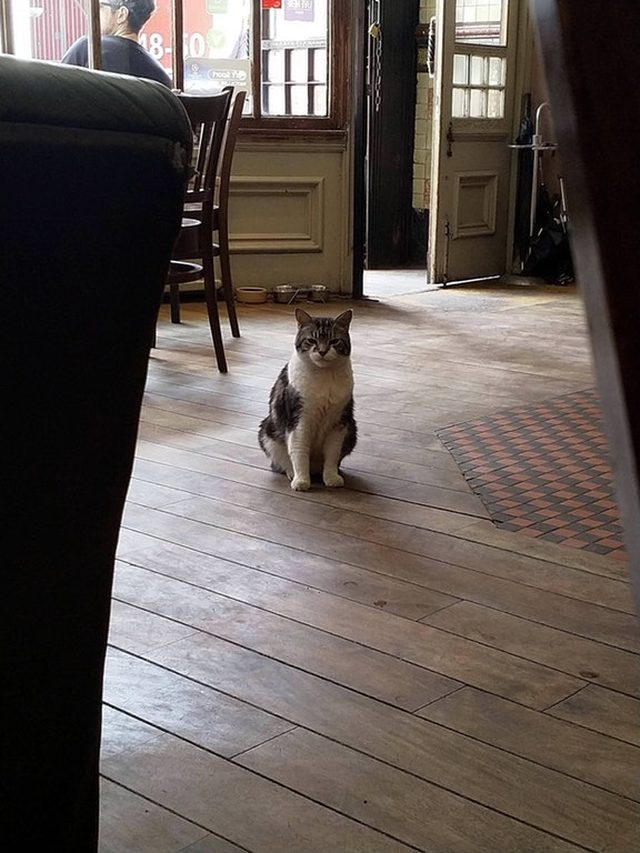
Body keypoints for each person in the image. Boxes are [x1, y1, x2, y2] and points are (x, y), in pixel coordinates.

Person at [62, 0, 171, 87]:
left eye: (100, 7)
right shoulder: (161, 76)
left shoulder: (88, 47)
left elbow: (55, 91)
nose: (92, 13)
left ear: (121, 15)